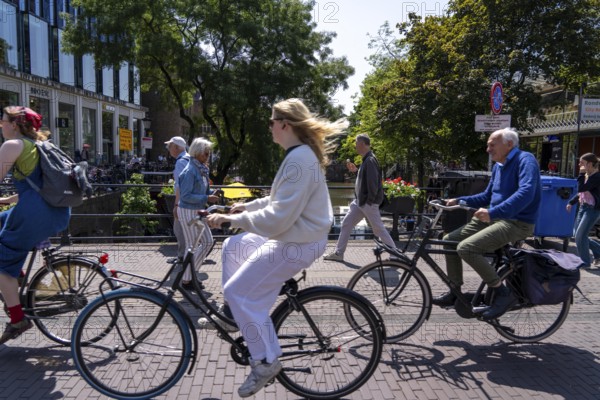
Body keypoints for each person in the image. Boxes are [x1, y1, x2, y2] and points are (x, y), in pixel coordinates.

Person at [203, 98, 347, 398]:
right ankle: (236, 316)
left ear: (284, 124)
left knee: (238, 290)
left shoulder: (299, 159)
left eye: (271, 121)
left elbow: (278, 216)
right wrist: (244, 207)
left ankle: (265, 360)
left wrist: (233, 220)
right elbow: (277, 200)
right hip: (295, 235)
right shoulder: (299, 155)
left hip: (298, 242)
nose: (269, 126)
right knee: (233, 248)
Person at [432, 127, 541, 320]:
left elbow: (526, 192)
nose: (488, 149)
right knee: (449, 240)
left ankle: (502, 292)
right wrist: (460, 200)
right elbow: (488, 195)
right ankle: (455, 290)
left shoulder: (525, 160)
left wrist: (493, 212)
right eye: (487, 145)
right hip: (494, 217)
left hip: (517, 222)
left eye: (492, 145)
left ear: (509, 144)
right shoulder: (499, 165)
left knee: (466, 248)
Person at [0, 106, 70, 344]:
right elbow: (36, 186)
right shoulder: (38, 146)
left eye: (3, 121)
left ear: (15, 125)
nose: (1, 125)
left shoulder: (12, 145)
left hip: (34, 214)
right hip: (53, 210)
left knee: (0, 266)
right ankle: (17, 275)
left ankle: (18, 318)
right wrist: (7, 201)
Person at [323, 133, 396, 262]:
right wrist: (356, 171)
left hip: (367, 203)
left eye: (356, 144)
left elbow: (373, 184)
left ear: (362, 144)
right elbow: (366, 180)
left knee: (378, 229)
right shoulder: (366, 160)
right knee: (346, 224)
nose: (355, 146)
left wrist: (369, 202)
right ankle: (339, 254)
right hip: (360, 202)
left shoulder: (370, 160)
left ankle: (395, 254)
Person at [176, 137, 219, 289]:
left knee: (204, 242)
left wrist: (211, 194)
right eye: (206, 153)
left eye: (208, 153)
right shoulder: (190, 171)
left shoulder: (200, 168)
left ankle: (189, 276)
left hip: (197, 210)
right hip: (188, 210)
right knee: (193, 245)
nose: (208, 156)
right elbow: (186, 196)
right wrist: (207, 197)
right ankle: (188, 279)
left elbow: (200, 190)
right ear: (198, 153)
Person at [566, 153, 600, 268]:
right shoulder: (587, 175)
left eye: (582, 163)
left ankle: (585, 263)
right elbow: (582, 193)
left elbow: (581, 188)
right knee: (578, 235)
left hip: (592, 210)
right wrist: (572, 202)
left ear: (590, 164)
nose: (579, 165)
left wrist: (580, 174)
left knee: (580, 236)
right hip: (583, 207)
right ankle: (599, 252)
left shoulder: (596, 177)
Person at [165, 136, 190, 261]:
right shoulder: (190, 159)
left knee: (179, 230)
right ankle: (186, 256)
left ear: (176, 147)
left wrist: (176, 205)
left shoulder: (181, 162)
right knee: (187, 231)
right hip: (191, 201)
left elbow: (180, 186)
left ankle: (182, 257)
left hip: (183, 203)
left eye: (169, 146)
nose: (168, 149)